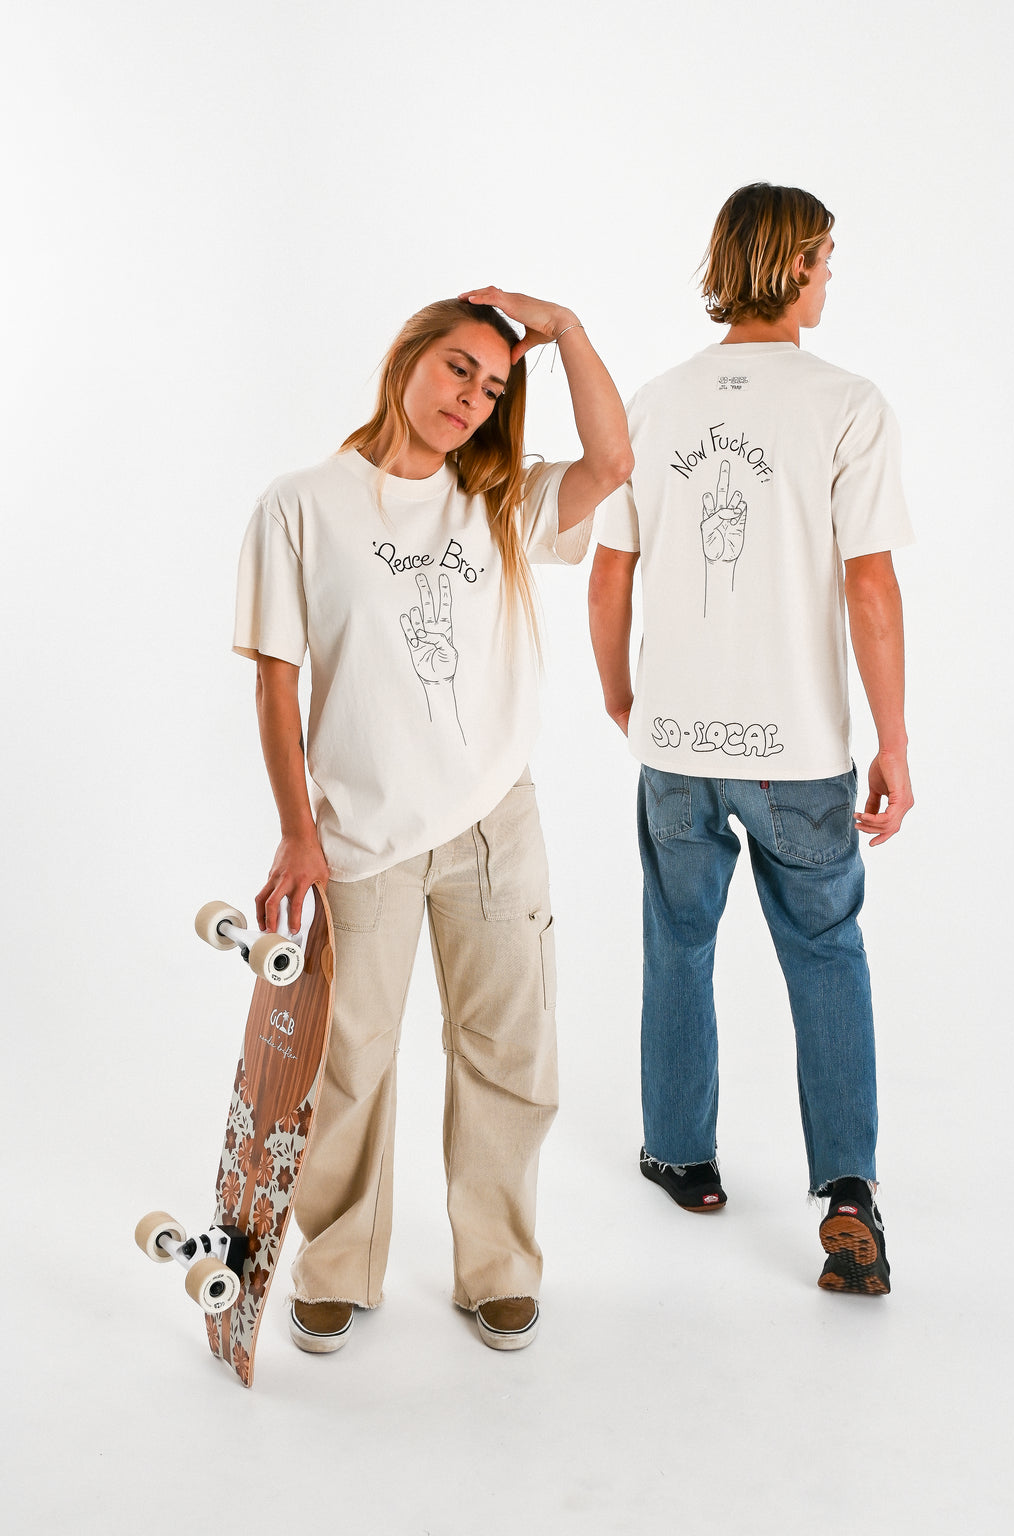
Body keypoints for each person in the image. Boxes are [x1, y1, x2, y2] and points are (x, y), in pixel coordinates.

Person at [233, 288, 632, 1352]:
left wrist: (571, 333)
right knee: (346, 1057)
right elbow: (277, 683)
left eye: (495, 386)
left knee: (507, 1046)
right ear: (407, 357)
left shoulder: (495, 498)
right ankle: (336, 1261)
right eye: (458, 368)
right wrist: (294, 829)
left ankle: (496, 1265)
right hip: (359, 833)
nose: (471, 398)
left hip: (495, 818)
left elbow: (611, 465)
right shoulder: (302, 504)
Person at [588, 184, 913, 1295]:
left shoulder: (652, 400)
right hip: (797, 750)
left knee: (677, 939)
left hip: (675, 738)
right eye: (826, 257)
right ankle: (849, 1190)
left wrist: (622, 696)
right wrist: (894, 739)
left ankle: (682, 1155)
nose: (833, 276)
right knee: (823, 949)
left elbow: (610, 571)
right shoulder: (846, 404)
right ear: (791, 263)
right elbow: (868, 586)